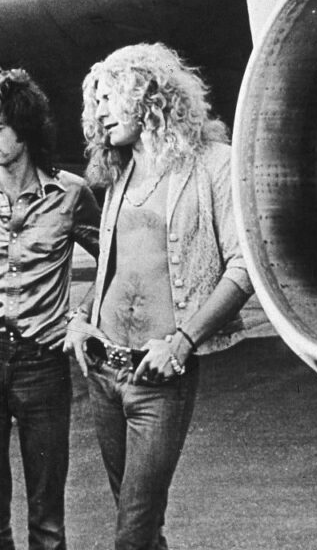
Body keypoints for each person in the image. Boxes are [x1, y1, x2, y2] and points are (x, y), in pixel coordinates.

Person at [64, 42, 255, 550]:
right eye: (95, 102)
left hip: (160, 377)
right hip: (102, 369)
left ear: (148, 94)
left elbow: (244, 268)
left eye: (109, 97)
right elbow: (115, 266)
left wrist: (182, 342)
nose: (99, 112)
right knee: (142, 527)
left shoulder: (213, 164)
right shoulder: (119, 172)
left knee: (132, 531)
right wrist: (80, 317)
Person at [0, 67, 100, 550]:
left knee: (47, 519)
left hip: (42, 362)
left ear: (25, 128)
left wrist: (80, 317)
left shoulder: (70, 194)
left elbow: (113, 261)